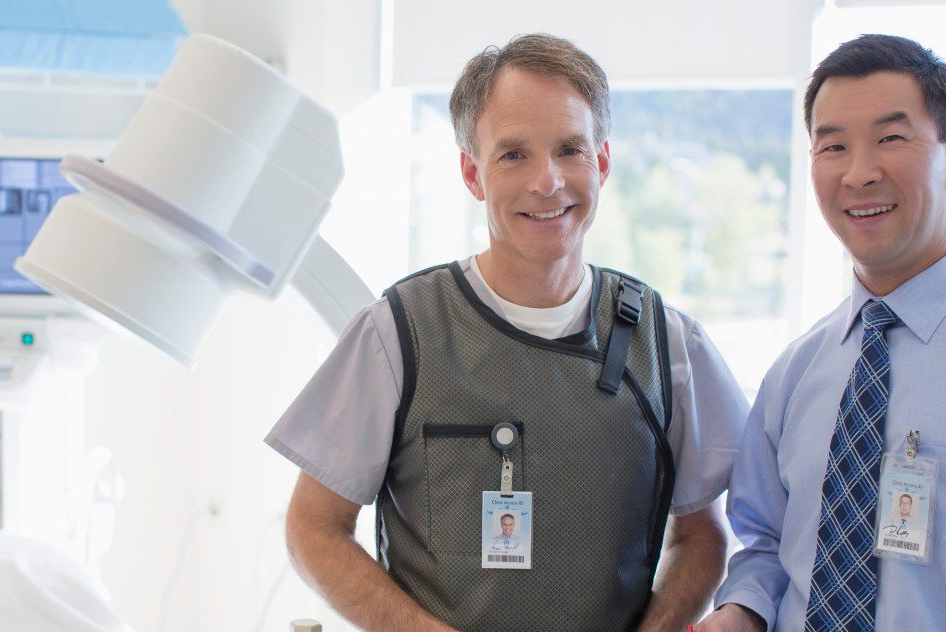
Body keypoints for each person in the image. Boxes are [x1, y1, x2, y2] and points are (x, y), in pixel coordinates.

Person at [266, 33, 749, 632]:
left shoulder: (668, 343)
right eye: (514, 154)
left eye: (570, 149)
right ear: (472, 172)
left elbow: (703, 535)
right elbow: (312, 528)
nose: (547, 182)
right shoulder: (400, 333)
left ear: (602, 162)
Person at [698, 34, 946, 631]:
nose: (859, 174)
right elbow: (764, 545)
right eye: (832, 146)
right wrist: (742, 610)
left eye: (891, 138)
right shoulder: (794, 373)